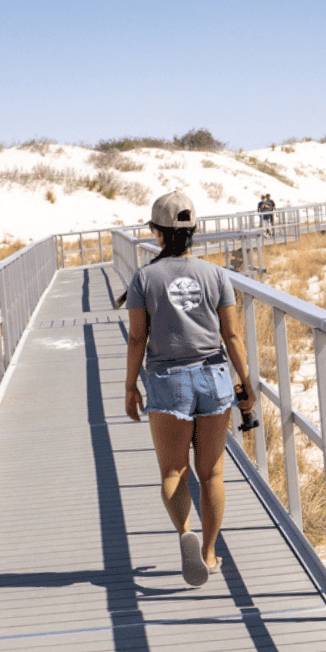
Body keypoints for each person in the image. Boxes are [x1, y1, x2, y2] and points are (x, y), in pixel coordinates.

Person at [123, 191, 255, 587]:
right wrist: (247, 385)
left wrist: (130, 387)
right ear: (194, 230)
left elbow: (136, 340)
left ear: (156, 233)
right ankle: (210, 553)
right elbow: (231, 335)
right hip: (214, 377)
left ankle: (185, 533)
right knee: (212, 473)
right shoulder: (216, 275)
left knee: (173, 472)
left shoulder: (144, 278)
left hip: (168, 381)